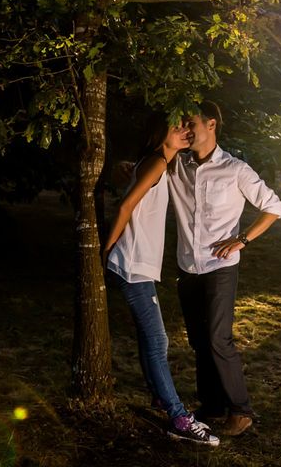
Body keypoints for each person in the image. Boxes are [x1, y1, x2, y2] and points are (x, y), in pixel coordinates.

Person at [102, 112, 220, 446]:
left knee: (149, 338)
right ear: (160, 134)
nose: (184, 132)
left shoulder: (159, 164)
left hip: (137, 264)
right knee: (157, 342)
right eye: (176, 128)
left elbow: (133, 181)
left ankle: (158, 395)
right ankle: (178, 417)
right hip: (133, 265)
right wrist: (106, 249)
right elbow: (125, 206)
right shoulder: (156, 163)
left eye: (186, 127)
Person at [168, 100, 281, 436]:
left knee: (219, 339)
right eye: (183, 124)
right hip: (187, 265)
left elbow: (274, 207)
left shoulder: (236, 169)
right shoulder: (178, 166)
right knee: (199, 341)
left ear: (211, 125)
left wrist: (243, 239)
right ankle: (212, 405)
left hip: (220, 267)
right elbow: (150, 173)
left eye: (191, 123)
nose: (186, 130)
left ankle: (241, 410)